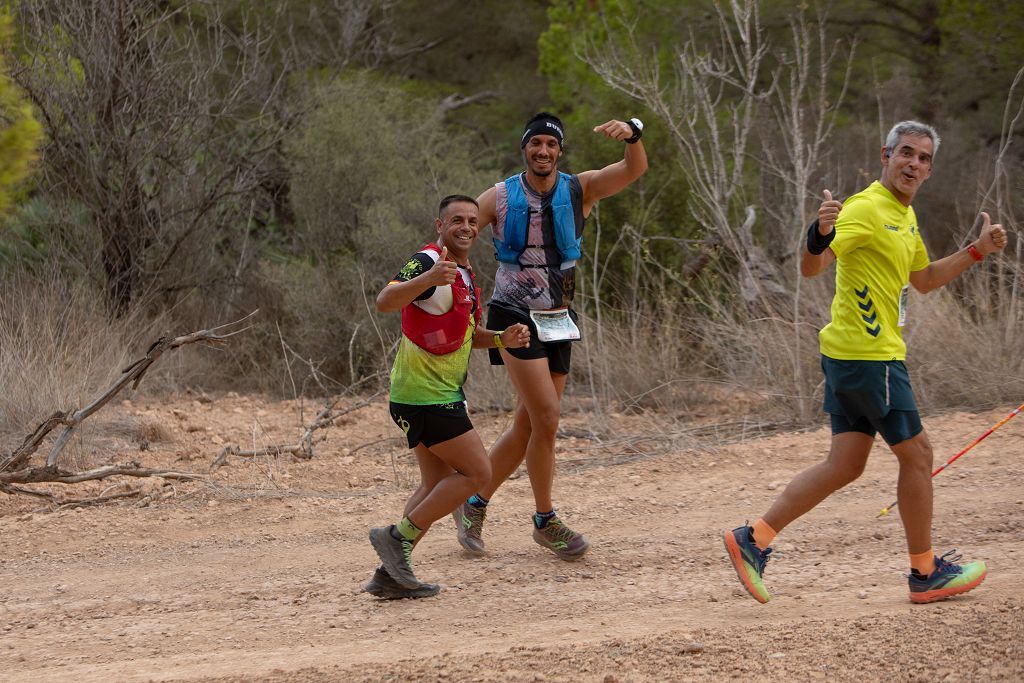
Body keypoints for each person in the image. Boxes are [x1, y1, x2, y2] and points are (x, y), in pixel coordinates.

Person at [723, 120, 1009, 604]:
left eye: (922, 158)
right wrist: (820, 232)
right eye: (906, 153)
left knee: (845, 464)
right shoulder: (866, 208)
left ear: (929, 169)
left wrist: (977, 251)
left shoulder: (904, 215)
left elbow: (922, 278)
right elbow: (812, 266)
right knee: (917, 456)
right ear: (886, 155)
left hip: (850, 356)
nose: (913, 163)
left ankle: (754, 539)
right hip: (868, 356)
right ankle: (925, 572)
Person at [451, 112, 648, 560]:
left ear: (560, 151)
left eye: (551, 144)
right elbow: (457, 232)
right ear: (525, 148)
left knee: (531, 424)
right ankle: (545, 519)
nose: (543, 151)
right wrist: (440, 279)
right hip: (512, 316)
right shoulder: (499, 196)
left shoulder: (581, 189)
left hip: (559, 317)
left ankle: (474, 502)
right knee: (547, 415)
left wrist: (633, 134)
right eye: (535, 143)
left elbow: (633, 169)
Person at [366, 194, 531, 599]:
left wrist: (502, 339)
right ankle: (395, 538)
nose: (466, 227)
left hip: (431, 393)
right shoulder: (428, 261)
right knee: (478, 474)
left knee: (436, 482)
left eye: (473, 221)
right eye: (457, 219)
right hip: (424, 395)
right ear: (439, 225)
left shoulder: (462, 273)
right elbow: (385, 300)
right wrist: (427, 279)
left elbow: (466, 336)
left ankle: (391, 575)